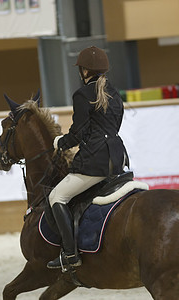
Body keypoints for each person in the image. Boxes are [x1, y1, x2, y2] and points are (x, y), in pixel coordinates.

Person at [47, 46, 129, 269]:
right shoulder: (114, 92)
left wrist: (59, 143)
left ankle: (71, 254)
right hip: (118, 158)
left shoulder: (83, 94)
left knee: (57, 196)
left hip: (95, 161)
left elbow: (78, 133)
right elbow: (112, 127)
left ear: (84, 71)